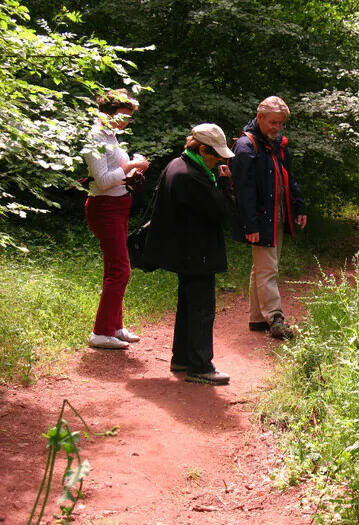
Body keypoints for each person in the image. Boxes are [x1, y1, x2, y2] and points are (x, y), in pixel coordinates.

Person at [141, 124, 235, 385]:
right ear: (202, 148)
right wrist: (226, 184)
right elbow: (224, 212)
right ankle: (200, 365)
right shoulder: (192, 176)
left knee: (188, 306)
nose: (219, 162)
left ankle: (182, 358)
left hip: (188, 251)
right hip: (198, 252)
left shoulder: (178, 165)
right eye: (216, 156)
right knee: (202, 309)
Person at [230, 96, 307, 340]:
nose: (277, 127)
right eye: (273, 122)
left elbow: (288, 176)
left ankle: (257, 318)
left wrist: (299, 206)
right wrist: (250, 224)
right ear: (259, 117)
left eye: (280, 123)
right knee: (268, 269)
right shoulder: (245, 146)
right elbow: (243, 190)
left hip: (278, 214)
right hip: (262, 219)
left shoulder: (273, 143)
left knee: (262, 268)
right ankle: (275, 318)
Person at [83, 88, 150, 350]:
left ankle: (114, 327)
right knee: (121, 269)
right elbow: (103, 181)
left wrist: (132, 168)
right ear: (107, 112)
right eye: (122, 115)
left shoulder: (110, 135)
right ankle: (100, 333)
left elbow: (115, 175)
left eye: (129, 118)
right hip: (105, 208)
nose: (125, 121)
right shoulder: (95, 137)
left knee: (115, 268)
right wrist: (132, 166)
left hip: (119, 205)